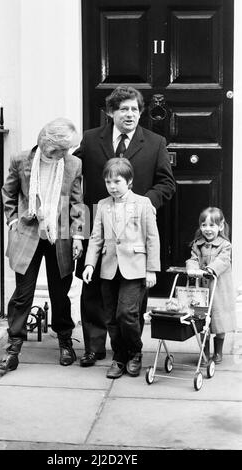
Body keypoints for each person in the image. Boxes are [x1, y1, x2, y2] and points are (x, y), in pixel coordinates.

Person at [74, 85, 175, 367]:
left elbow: (167, 184)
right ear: (111, 112)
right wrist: (76, 228)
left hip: (135, 232)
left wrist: (144, 204)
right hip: (99, 226)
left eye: (134, 109)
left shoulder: (155, 143)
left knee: (130, 302)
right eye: (123, 109)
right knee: (93, 289)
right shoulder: (92, 139)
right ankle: (95, 347)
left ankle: (130, 350)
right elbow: (74, 179)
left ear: (141, 112)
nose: (129, 114)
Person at [0, 117, 84, 372]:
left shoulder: (73, 164)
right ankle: (13, 350)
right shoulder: (21, 160)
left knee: (60, 293)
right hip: (28, 235)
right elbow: (8, 193)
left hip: (60, 236)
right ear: (47, 143)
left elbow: (78, 202)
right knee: (23, 295)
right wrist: (12, 221)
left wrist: (78, 236)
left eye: (68, 150)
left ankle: (65, 342)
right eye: (62, 149)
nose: (66, 154)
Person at [82, 158, 160, 378]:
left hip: (135, 268)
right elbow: (96, 237)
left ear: (130, 180)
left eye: (117, 181)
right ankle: (119, 357)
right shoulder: (103, 205)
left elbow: (152, 238)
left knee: (127, 313)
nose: (112, 186)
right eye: (108, 182)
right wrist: (90, 264)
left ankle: (135, 352)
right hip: (109, 268)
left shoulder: (143, 203)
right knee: (111, 318)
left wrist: (151, 269)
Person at [186, 207, 237, 364]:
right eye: (204, 225)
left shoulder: (225, 245)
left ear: (220, 226)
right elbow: (193, 258)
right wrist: (192, 268)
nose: (207, 229)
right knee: (203, 320)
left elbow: (223, 260)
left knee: (219, 320)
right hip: (202, 287)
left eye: (212, 225)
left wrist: (210, 269)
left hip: (219, 288)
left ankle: (219, 352)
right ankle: (205, 352)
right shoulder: (198, 244)